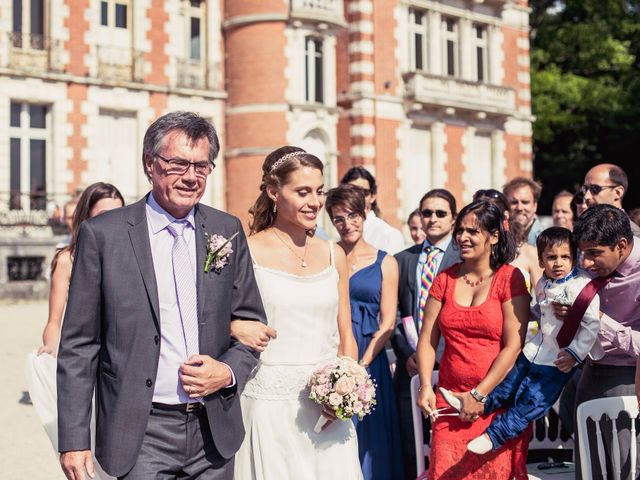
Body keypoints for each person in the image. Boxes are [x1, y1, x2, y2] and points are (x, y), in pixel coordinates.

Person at [56, 112, 267, 480]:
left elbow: (251, 324)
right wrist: (74, 439)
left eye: (202, 166)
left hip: (213, 433)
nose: (190, 176)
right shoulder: (104, 235)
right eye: (178, 163)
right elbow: (79, 344)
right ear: (150, 165)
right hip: (140, 432)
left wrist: (229, 371)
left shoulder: (226, 230)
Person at [234, 146, 362, 479]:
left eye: (319, 191)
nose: (315, 202)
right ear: (274, 192)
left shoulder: (335, 254)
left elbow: (345, 333)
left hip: (328, 413)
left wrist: (345, 391)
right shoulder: (247, 252)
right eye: (302, 192)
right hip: (269, 407)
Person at [439, 227, 600, 454]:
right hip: (534, 349)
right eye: (551, 257)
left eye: (565, 257)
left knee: (532, 401)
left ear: (574, 258)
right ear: (541, 260)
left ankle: (495, 436)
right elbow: (540, 310)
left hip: (557, 359)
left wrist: (574, 354)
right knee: (508, 386)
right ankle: (477, 405)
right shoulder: (544, 282)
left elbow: (591, 325)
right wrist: (523, 314)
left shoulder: (582, 287)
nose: (558, 263)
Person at [416, 200, 530, 479]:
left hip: (495, 403)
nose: (462, 237)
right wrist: (424, 386)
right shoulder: (444, 279)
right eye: (460, 230)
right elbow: (427, 339)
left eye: (473, 231)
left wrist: (479, 395)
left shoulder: (509, 277)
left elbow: (514, 345)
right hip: (449, 403)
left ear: (493, 236)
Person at [325, 184, 403, 480]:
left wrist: (362, 365)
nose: (347, 224)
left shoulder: (387, 261)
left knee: (370, 436)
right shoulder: (327, 256)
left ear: (364, 214)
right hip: (332, 354)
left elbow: (387, 322)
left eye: (353, 215)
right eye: (339, 219)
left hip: (369, 359)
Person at [392, 188, 460, 479]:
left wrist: (441, 356)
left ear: (453, 218)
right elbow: (395, 312)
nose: (432, 219)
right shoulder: (402, 259)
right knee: (412, 443)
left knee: (450, 441)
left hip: (452, 362)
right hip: (411, 366)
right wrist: (408, 354)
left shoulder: (463, 257)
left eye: (440, 213)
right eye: (427, 213)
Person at [570, 204, 640, 479]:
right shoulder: (585, 265)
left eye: (595, 254)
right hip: (588, 372)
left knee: (624, 468)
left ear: (622, 245)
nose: (585, 263)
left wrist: (599, 320)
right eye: (583, 253)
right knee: (590, 467)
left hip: (627, 379)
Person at [38, 183, 124, 356]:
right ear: (87, 216)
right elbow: (54, 320)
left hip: (122, 353)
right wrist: (50, 347)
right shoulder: (66, 261)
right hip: (85, 351)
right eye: (104, 216)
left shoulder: (130, 255)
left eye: (119, 216)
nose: (113, 223)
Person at [341, 166, 405, 254]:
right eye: (352, 192)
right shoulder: (340, 228)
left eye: (363, 193)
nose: (358, 197)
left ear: (373, 196)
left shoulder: (389, 235)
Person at [582, 163, 640, 236]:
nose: (587, 196)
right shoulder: (580, 230)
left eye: (595, 189)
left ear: (617, 192)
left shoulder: (634, 235)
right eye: (585, 189)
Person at [503, 177, 545, 245]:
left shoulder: (546, 240)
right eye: (514, 202)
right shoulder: (500, 237)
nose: (519, 208)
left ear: (535, 206)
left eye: (525, 202)